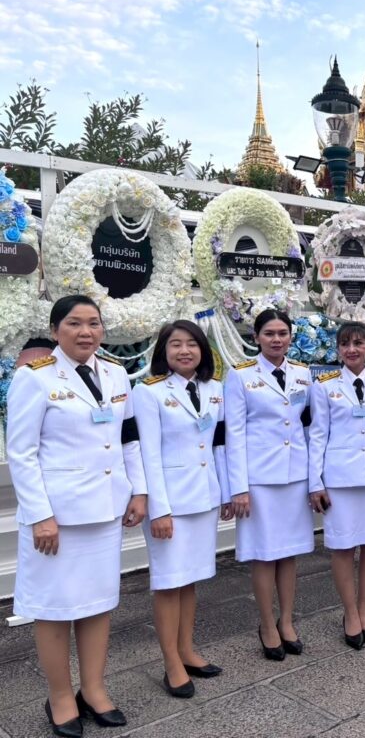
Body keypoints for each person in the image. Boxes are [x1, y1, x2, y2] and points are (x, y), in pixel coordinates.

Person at [7, 295, 146, 736]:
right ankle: (60, 696)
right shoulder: (34, 378)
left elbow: (128, 439)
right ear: (55, 330)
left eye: (93, 323)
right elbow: (21, 452)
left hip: (105, 510)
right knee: (53, 609)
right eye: (74, 323)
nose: (85, 331)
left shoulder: (117, 373)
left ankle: (94, 688)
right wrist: (40, 515)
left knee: (97, 604)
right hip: (58, 519)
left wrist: (138, 491)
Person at [134, 320, 231, 698]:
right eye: (176, 345)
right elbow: (148, 455)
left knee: (190, 578)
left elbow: (218, 445)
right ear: (164, 351)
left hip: (203, 498)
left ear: (203, 351)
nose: (185, 351)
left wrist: (224, 492)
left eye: (192, 344)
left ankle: (187, 649)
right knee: (168, 582)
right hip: (170, 503)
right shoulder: (149, 393)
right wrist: (159, 509)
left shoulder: (215, 389)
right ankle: (171, 661)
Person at [225, 309, 313, 660]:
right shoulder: (240, 375)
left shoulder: (303, 374)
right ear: (256, 338)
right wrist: (239, 487)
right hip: (259, 479)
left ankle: (287, 620)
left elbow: (307, 426)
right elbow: (234, 434)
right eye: (269, 334)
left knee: (289, 553)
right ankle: (266, 623)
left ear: (290, 337)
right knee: (263, 555)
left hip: (295, 476)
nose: (277, 339)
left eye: (282, 333)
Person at [308, 322, 365, 649]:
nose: (352, 349)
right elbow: (317, 435)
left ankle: (364, 609)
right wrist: (315, 482)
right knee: (343, 547)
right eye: (346, 343)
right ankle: (349, 612)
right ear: (338, 349)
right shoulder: (324, 386)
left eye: (359, 343)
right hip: (340, 479)